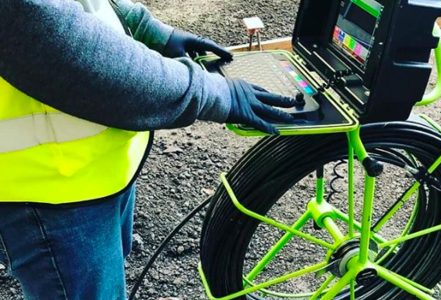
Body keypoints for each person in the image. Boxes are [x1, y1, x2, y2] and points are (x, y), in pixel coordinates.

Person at [0, 0, 295, 299]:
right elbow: (61, 46)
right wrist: (212, 92)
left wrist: (145, 28)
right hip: (45, 192)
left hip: (94, 172)